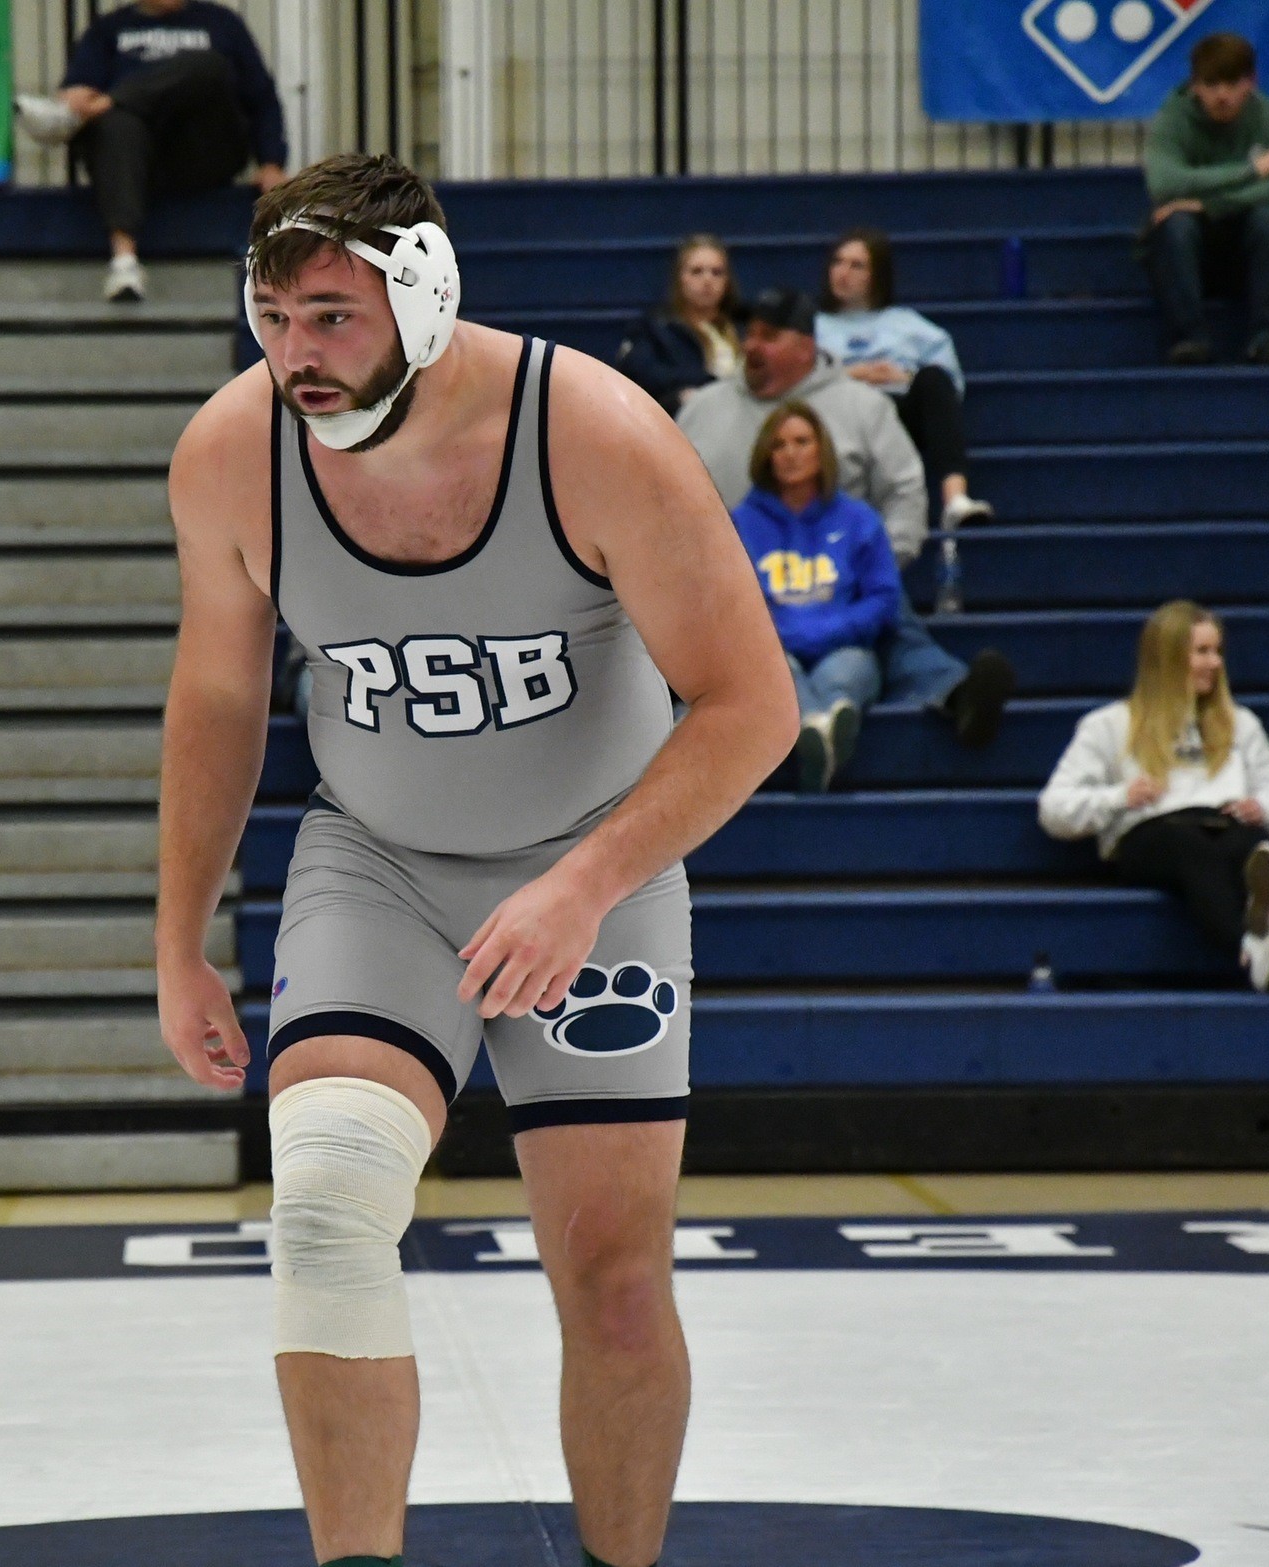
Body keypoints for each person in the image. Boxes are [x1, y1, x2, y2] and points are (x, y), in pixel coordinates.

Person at [158, 153, 796, 1567]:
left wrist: (582, 885)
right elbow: (212, 698)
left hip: (594, 863)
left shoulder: (591, 433)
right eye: (271, 318)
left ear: (423, 294)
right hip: (374, 860)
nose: (294, 356)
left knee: (614, 1282)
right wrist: (177, 938)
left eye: (330, 316)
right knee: (320, 1205)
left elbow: (752, 706)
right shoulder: (228, 453)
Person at [679, 287, 1014, 747]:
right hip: (741, 586)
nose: (752, 345)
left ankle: (958, 696)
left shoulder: (861, 405)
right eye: (749, 334)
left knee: (888, 615)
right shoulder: (701, 410)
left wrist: (876, 559)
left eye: (769, 336)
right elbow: (660, 506)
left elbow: (905, 490)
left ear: (805, 346)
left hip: (843, 568)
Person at [1038, 601, 1269, 992]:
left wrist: (1262, 807)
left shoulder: (1242, 724)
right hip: (1154, 834)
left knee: (1250, 843)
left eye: (1217, 652)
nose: (1215, 663)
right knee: (1192, 848)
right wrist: (1120, 797)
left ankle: (1265, 926)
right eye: (1202, 652)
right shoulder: (1109, 724)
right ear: (1167, 658)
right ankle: (1253, 941)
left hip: (1226, 825)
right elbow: (1053, 809)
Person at [15, 0, 288, 302]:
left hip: (204, 151)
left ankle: (114, 100)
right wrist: (75, 98)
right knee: (115, 122)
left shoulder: (221, 23)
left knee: (208, 65)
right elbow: (79, 94)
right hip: (133, 160)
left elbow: (262, 100)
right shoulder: (110, 29)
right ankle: (124, 261)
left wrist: (272, 162)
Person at [730, 402, 901, 793]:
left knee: (849, 670)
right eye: (779, 445)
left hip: (844, 647)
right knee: (775, 670)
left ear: (821, 450)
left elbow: (884, 598)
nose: (790, 453)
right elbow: (734, 609)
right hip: (773, 653)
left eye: (802, 442)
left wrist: (829, 629)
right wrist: (788, 635)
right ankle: (817, 729)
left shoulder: (859, 520)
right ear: (765, 455)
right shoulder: (740, 523)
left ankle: (819, 731)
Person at [1141, 32, 1269, 365]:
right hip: (1191, 254)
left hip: (1250, 250)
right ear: (1194, 86)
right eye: (1211, 84)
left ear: (1252, 82)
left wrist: (1208, 204)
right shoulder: (1171, 121)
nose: (1222, 95)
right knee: (1176, 222)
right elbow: (1165, 184)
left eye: (1233, 83)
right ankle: (1190, 340)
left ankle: (1268, 338)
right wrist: (1254, 170)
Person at [817, 227, 993, 530]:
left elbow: (950, 384)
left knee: (933, 378)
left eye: (856, 265)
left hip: (899, 415)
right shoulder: (812, 326)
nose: (843, 273)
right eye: (838, 262)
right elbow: (793, 383)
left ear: (877, 275)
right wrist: (853, 374)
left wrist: (906, 377)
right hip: (843, 417)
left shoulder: (908, 325)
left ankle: (955, 499)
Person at [614, 234, 742, 413]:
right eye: (697, 271)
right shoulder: (654, 329)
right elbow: (641, 373)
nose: (708, 280)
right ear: (680, 278)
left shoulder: (743, 328)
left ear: (727, 281)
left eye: (717, 272)